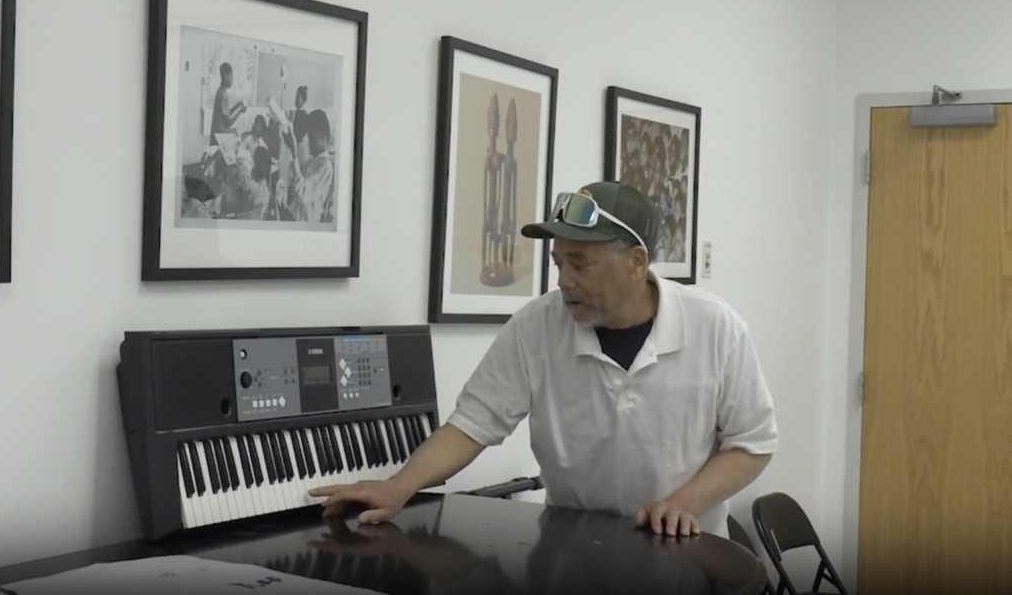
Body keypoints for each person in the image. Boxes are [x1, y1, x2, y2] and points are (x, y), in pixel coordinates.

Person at [310, 181, 778, 537]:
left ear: (637, 262)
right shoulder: (536, 326)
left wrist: (682, 504)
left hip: (680, 550)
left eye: (581, 263)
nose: (564, 280)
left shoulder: (717, 328)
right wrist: (399, 486)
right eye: (558, 263)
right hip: (571, 546)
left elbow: (751, 445)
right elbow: (473, 422)